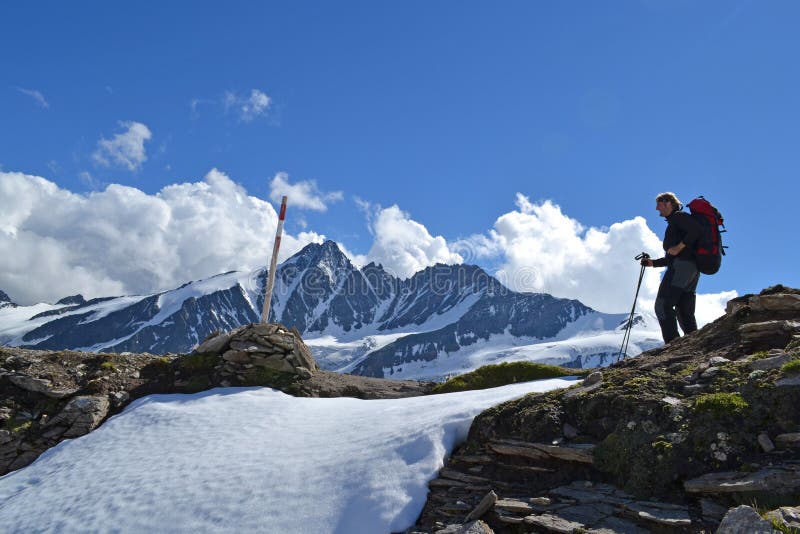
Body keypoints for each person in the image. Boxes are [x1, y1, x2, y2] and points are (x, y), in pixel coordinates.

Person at [641, 192, 703, 343]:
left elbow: (696, 231)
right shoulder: (676, 221)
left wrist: (678, 247)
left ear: (668, 203)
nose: (657, 209)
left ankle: (672, 345)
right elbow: (672, 257)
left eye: (659, 204)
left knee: (663, 305)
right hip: (691, 269)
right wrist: (653, 263)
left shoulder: (679, 217)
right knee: (684, 309)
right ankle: (693, 344)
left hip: (682, 268)